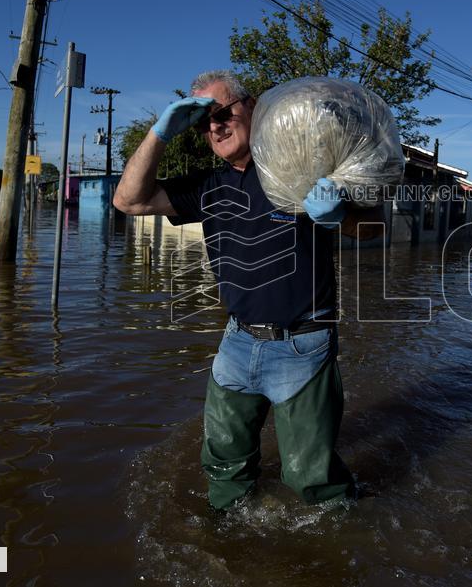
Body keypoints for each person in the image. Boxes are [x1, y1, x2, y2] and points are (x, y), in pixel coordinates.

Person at [113, 70, 380, 511]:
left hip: (303, 345)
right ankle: (226, 539)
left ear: (252, 106)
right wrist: (159, 133)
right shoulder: (210, 186)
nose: (213, 127)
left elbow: (374, 226)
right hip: (236, 343)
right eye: (201, 123)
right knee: (223, 466)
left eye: (221, 113)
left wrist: (340, 216)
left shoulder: (298, 167)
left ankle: (346, 539)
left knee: (310, 480)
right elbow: (129, 201)